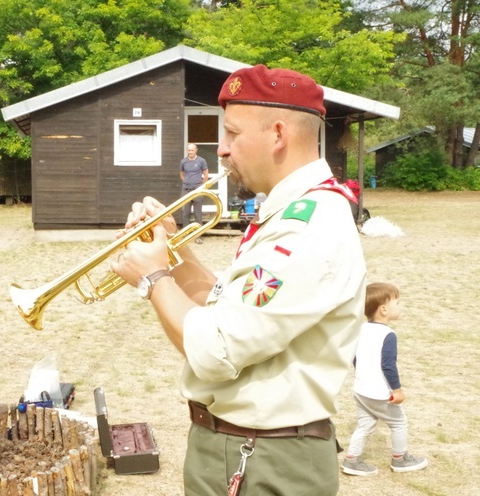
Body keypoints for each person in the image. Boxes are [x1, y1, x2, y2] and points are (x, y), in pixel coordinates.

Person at [111, 65, 366, 495]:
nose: (222, 150)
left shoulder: (307, 224)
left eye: (231, 133)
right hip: (246, 448)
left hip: (264, 458)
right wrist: (174, 252)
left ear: (278, 134)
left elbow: (215, 351)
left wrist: (153, 278)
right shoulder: (289, 212)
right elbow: (225, 306)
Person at [342, 282, 428, 476]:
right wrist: (397, 390)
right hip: (379, 393)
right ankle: (400, 459)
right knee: (399, 423)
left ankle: (351, 460)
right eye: (397, 303)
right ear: (383, 310)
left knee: (364, 425)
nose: (399, 307)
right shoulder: (388, 334)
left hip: (360, 390)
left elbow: (356, 357)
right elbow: (388, 365)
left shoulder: (361, 329)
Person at [179, 143, 209, 242]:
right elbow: (182, 174)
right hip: (186, 189)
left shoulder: (201, 161)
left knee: (197, 213)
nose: (190, 152)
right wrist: (187, 182)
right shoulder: (183, 161)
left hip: (197, 190)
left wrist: (200, 186)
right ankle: (186, 235)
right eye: (189, 150)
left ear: (196, 150)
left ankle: (198, 236)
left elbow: (205, 175)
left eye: (192, 150)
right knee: (185, 213)